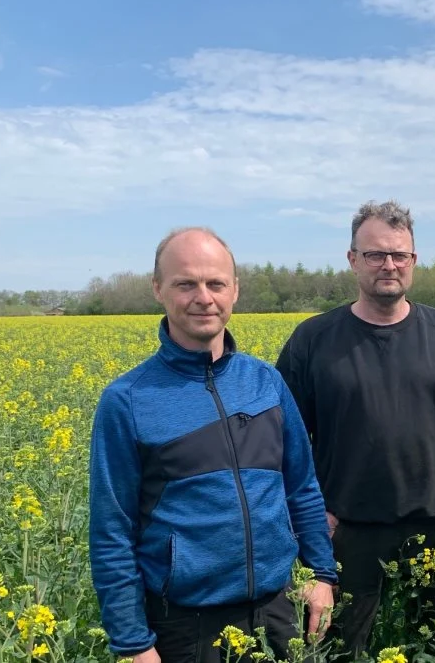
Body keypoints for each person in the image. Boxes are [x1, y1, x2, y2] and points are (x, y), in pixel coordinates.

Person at [89, 227, 338, 663]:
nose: (203, 297)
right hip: (185, 627)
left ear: (235, 291)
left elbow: (302, 487)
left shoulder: (266, 383)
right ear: (157, 290)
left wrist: (322, 574)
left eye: (215, 283)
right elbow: (112, 532)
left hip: (278, 613)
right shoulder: (127, 400)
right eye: (186, 283)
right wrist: (132, 642)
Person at [275, 200, 435, 658]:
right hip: (345, 531)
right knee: (337, 649)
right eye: (376, 254)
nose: (389, 265)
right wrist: (310, 522)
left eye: (400, 255)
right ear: (352, 259)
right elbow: (282, 443)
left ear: (414, 261)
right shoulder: (314, 339)